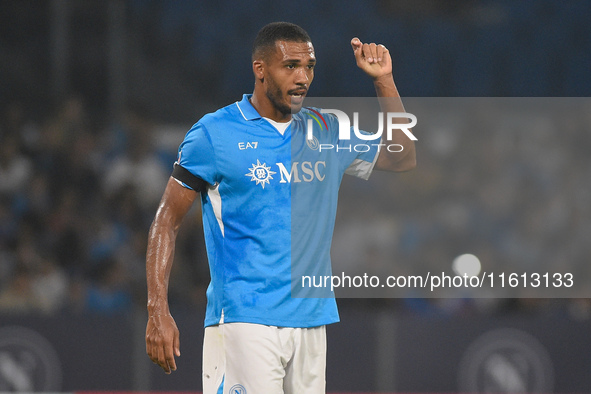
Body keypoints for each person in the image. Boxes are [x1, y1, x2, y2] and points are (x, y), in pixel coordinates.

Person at [145, 21, 416, 393]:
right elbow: (166, 222)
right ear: (260, 69)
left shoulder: (328, 129)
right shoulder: (215, 134)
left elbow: (402, 158)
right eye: (290, 66)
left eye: (309, 67)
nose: (303, 77)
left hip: (311, 319)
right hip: (245, 319)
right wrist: (157, 309)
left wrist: (384, 80)